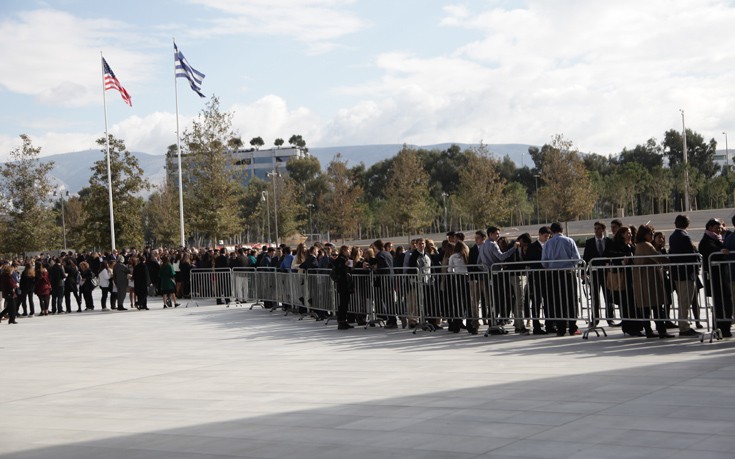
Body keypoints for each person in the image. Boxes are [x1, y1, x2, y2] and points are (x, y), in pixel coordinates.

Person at [632, 225, 674, 339]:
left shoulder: (639, 245)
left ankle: (649, 330)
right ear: (644, 234)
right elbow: (657, 257)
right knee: (657, 306)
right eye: (650, 233)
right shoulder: (646, 245)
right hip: (649, 280)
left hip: (643, 279)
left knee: (647, 307)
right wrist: (670, 261)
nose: (652, 235)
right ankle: (661, 331)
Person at [541, 222, 582, 336]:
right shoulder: (569, 241)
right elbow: (577, 259)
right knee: (571, 300)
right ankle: (573, 327)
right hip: (568, 273)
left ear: (551, 231)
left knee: (557, 301)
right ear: (562, 229)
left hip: (553, 275)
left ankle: (561, 328)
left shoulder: (547, 244)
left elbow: (544, 262)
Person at [699, 218, 733, 338]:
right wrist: (720, 251)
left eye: (720, 227)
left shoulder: (717, 239)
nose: (719, 230)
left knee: (725, 301)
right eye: (717, 227)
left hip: (722, 276)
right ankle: (721, 328)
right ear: (710, 228)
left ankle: (723, 327)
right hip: (715, 277)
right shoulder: (706, 241)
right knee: (720, 303)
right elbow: (711, 252)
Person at [668, 215, 701, 336]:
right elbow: (690, 254)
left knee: (683, 300)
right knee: (685, 301)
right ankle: (684, 327)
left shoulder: (672, 236)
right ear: (687, 224)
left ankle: (684, 324)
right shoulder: (684, 236)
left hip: (678, 273)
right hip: (686, 273)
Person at [582, 221, 615, 327]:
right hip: (594, 273)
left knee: (608, 296)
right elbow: (586, 258)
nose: (596, 231)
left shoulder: (609, 241)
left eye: (599, 228)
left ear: (603, 230)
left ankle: (610, 318)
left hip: (607, 273)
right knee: (595, 297)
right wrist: (583, 272)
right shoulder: (589, 242)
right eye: (595, 228)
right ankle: (595, 318)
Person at [526, 227, 551, 334]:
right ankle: (536, 326)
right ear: (540, 234)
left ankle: (549, 324)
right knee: (536, 302)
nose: (547, 238)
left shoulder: (549, 245)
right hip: (536, 278)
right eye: (545, 236)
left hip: (547, 278)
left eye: (548, 236)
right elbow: (528, 260)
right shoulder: (532, 247)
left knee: (549, 302)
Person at [332, 245, 354, 330]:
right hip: (343, 284)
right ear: (344, 250)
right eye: (348, 250)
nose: (349, 252)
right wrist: (345, 265)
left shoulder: (345, 259)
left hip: (345, 284)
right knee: (343, 303)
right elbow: (339, 270)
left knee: (345, 303)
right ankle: (341, 321)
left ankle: (343, 320)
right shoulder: (340, 259)